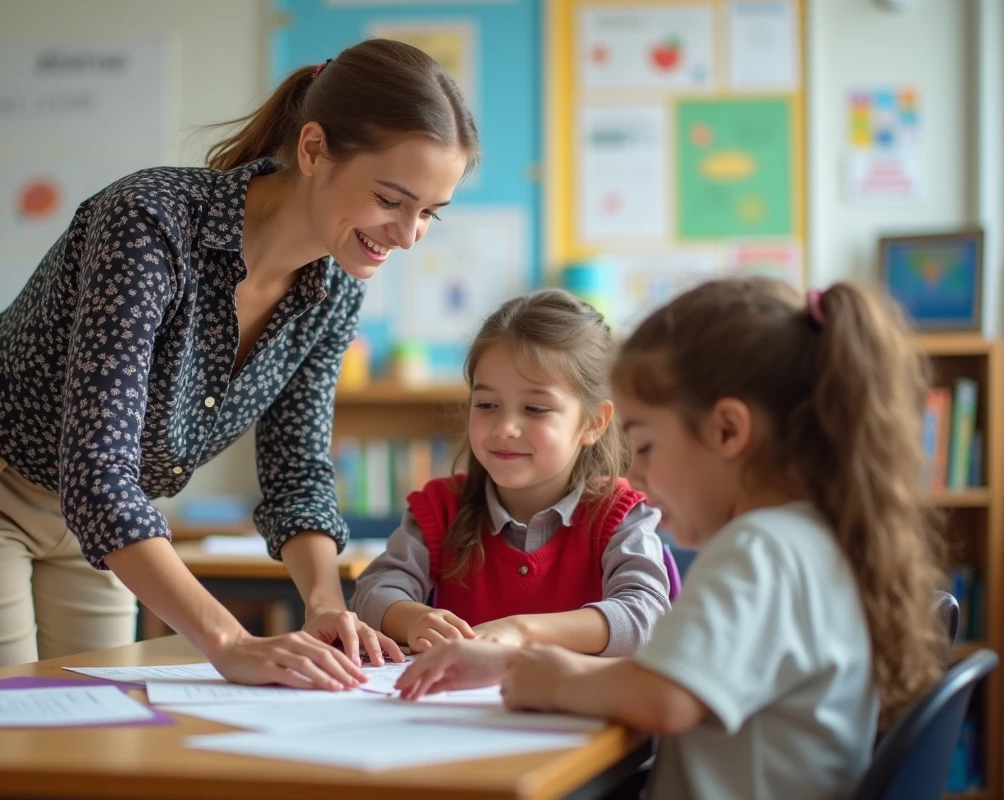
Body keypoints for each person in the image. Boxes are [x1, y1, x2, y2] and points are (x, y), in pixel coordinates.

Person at [0, 38, 479, 687]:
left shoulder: (336, 287)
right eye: (391, 200)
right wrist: (228, 642)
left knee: (97, 743)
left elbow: (296, 469)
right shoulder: (152, 222)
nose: (408, 233)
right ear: (313, 150)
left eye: (429, 213)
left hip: (108, 519)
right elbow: (99, 470)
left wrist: (325, 605)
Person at [395, 278, 949, 800]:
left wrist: (544, 678)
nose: (635, 477)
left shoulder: (759, 550)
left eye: (648, 446)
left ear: (727, 431)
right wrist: (509, 667)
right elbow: (678, 680)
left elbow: (664, 700)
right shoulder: (815, 540)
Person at [351, 289, 670, 656]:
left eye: (534, 408)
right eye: (486, 404)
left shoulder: (620, 515)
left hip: (576, 707)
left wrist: (521, 630)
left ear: (593, 423)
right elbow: (373, 592)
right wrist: (414, 619)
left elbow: (645, 616)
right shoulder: (440, 508)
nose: (504, 427)